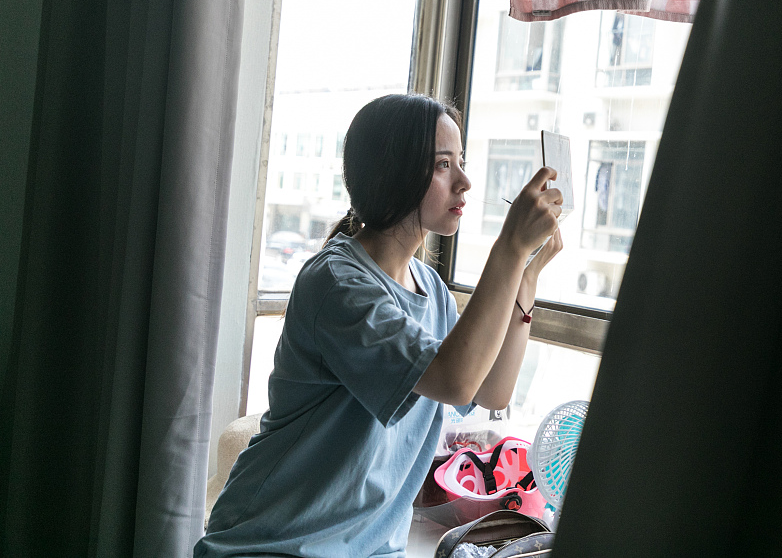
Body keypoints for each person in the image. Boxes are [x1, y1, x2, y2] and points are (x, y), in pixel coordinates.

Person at [195, 93, 563, 558]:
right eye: (443, 165)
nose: (465, 182)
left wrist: (526, 274)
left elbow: (492, 391)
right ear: (395, 173)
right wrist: (509, 245)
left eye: (461, 162)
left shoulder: (430, 289)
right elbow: (455, 379)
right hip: (274, 544)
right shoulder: (337, 283)